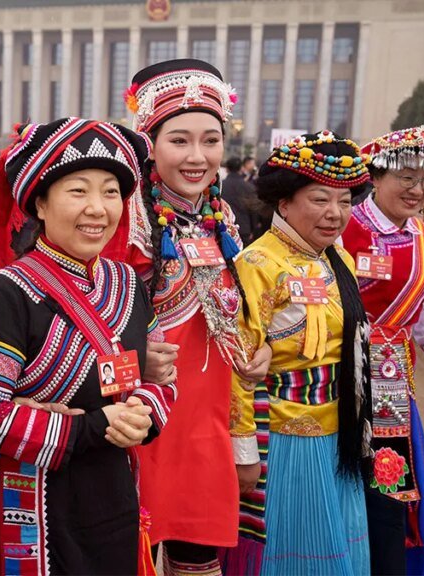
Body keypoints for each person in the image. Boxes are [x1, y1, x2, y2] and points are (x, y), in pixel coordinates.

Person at [0, 118, 175, 575]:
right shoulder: (12, 289)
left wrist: (145, 414)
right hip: (36, 505)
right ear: (39, 202)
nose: (98, 208)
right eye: (78, 191)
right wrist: (93, 427)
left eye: (111, 192)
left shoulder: (128, 284)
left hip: (115, 491)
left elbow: (162, 378)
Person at [110, 59, 271, 576]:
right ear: (148, 140)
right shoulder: (122, 217)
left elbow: (245, 317)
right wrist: (132, 353)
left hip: (206, 426)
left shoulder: (225, 216)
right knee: (125, 549)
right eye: (179, 140)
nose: (198, 156)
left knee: (196, 555)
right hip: (138, 419)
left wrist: (263, 347)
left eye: (211, 140)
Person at [223, 131, 372, 575]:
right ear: (284, 203)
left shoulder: (336, 257)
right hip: (286, 438)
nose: (335, 214)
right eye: (321, 199)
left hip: (337, 431)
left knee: (338, 540)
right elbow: (239, 365)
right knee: (294, 548)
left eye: (345, 202)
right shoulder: (257, 265)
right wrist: (244, 451)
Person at [343, 125, 424, 575]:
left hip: (393, 379)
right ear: (376, 177)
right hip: (340, 371)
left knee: (389, 481)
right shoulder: (346, 225)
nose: (418, 189)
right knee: (343, 482)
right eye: (407, 176)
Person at [222, 156, 259, 246]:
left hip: (223, 228)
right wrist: (254, 229)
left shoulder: (220, 186)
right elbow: (254, 210)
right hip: (244, 229)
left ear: (227, 169)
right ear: (241, 169)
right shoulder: (248, 187)